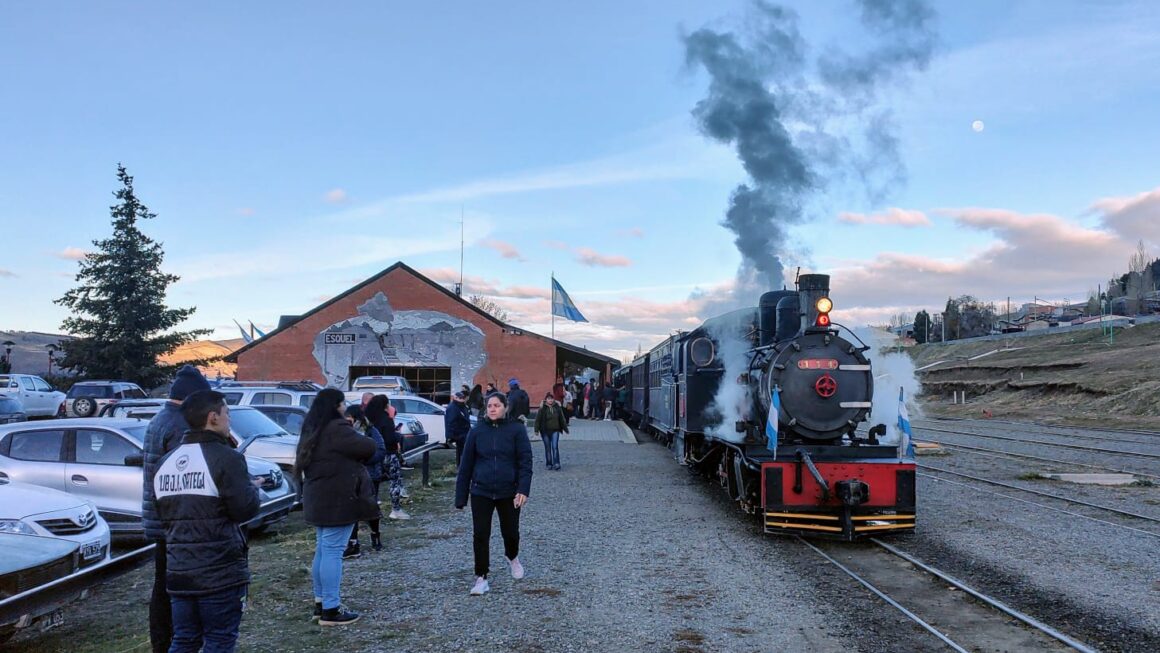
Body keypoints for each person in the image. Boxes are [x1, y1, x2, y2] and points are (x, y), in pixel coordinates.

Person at [154, 390, 259, 652]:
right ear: (213, 417)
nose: (229, 420)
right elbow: (244, 510)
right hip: (218, 571)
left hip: (179, 571)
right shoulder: (226, 458)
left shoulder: (165, 463)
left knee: (184, 639)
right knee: (219, 639)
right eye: (227, 414)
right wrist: (253, 489)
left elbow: (163, 514)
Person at [142, 364, 211, 653]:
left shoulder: (159, 419)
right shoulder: (179, 425)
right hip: (173, 520)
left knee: (163, 584)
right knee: (174, 588)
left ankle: (165, 641)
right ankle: (171, 641)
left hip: (159, 517)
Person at [296, 388, 379, 626]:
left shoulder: (312, 428)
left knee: (323, 549)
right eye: (343, 404)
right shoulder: (338, 429)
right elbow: (368, 447)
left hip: (317, 497)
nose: (345, 408)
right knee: (332, 551)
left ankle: (320, 602)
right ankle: (331, 609)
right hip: (338, 499)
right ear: (337, 406)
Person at [454, 393, 533, 596]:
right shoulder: (477, 431)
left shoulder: (516, 429)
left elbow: (525, 461)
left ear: (505, 407)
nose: (492, 409)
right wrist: (461, 497)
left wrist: (523, 489)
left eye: (497, 405)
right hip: (481, 490)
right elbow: (466, 464)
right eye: (489, 405)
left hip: (509, 491)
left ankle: (512, 556)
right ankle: (481, 577)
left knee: (511, 532)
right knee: (480, 534)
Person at [344, 405, 387, 554]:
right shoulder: (345, 432)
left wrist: (365, 459)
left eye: (349, 418)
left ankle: (375, 534)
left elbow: (381, 450)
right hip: (351, 475)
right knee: (351, 509)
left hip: (370, 474)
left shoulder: (370, 430)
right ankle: (353, 542)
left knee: (371, 507)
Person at [365, 395, 410, 520]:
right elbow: (389, 439)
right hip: (389, 454)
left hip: (373, 455)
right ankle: (396, 510)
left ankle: (372, 512)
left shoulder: (369, 420)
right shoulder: (386, 420)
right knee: (395, 482)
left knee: (373, 485)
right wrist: (398, 436)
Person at [533, 392, 568, 470]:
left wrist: (565, 428)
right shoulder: (542, 408)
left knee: (555, 447)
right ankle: (549, 463)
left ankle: (557, 463)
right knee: (548, 447)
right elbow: (538, 420)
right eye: (549, 399)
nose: (550, 400)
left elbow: (562, 419)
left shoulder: (557, 407)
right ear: (546, 400)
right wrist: (536, 430)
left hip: (555, 430)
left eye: (551, 399)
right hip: (545, 431)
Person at [444, 390, 472, 467]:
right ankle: (461, 467)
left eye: (462, 398)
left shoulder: (462, 407)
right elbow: (451, 423)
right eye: (460, 398)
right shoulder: (453, 408)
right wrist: (451, 437)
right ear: (455, 398)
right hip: (459, 435)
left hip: (464, 434)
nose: (462, 399)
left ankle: (462, 467)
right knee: (462, 453)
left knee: (464, 452)